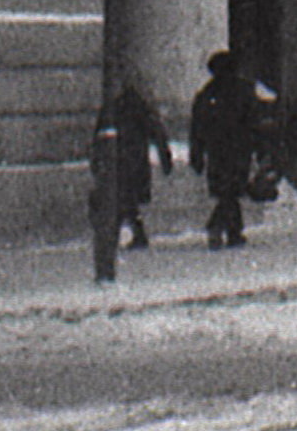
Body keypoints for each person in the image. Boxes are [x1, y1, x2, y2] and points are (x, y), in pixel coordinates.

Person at [89, 75, 174, 283]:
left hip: (119, 162)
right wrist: (166, 160)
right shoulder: (140, 109)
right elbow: (158, 134)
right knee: (126, 200)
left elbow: (98, 139)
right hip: (134, 161)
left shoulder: (113, 110)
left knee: (122, 201)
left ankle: (129, 237)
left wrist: (97, 163)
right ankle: (135, 235)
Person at [189, 49, 265, 249]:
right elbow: (254, 123)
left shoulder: (207, 93)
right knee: (232, 192)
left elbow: (197, 127)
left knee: (227, 191)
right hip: (239, 149)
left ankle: (234, 232)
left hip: (217, 151)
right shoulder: (244, 91)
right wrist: (260, 149)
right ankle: (217, 226)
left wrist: (196, 153)